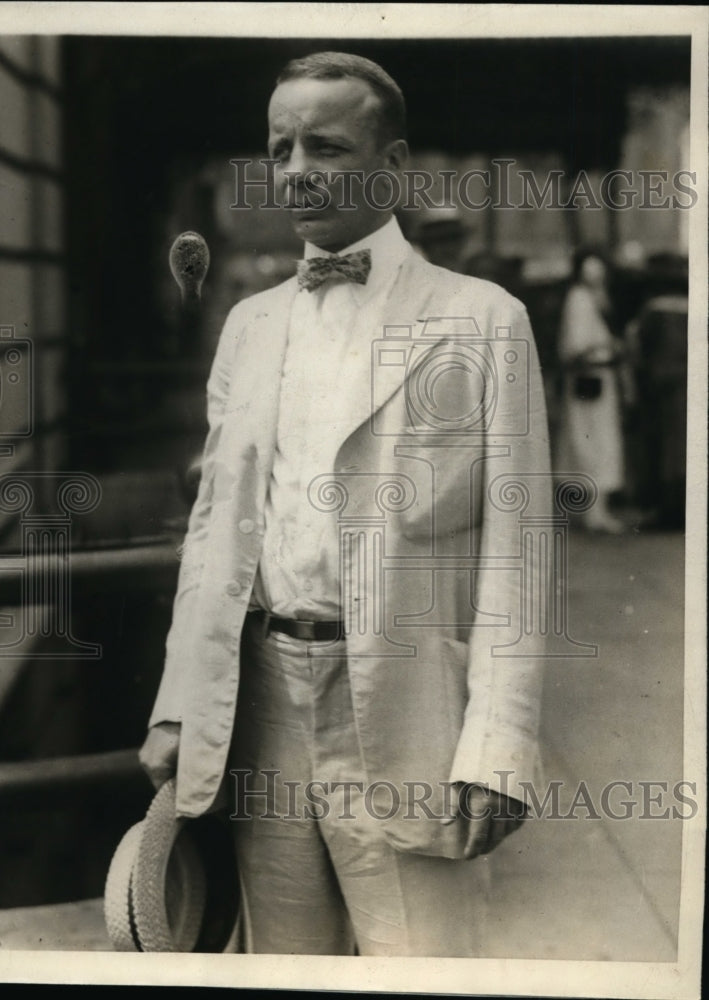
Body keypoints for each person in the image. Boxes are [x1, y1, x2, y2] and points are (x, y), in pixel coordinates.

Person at [140, 52, 551, 956]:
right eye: (279, 149)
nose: (295, 171)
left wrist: (498, 746)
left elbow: (518, 548)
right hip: (261, 708)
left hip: (410, 710)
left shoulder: (484, 320)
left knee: (422, 967)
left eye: (325, 147)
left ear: (392, 164)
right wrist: (178, 704)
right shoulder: (248, 326)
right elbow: (212, 533)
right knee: (284, 966)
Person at [555, 249, 628, 533]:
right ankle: (593, 512)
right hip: (588, 378)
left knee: (594, 439)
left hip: (598, 378)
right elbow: (576, 345)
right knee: (591, 440)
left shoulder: (593, 299)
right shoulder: (580, 299)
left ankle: (594, 510)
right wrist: (606, 346)